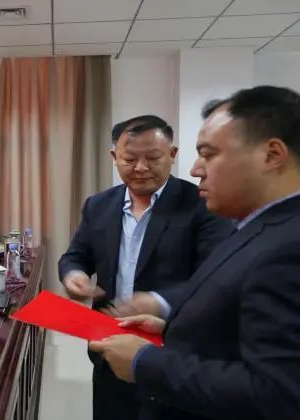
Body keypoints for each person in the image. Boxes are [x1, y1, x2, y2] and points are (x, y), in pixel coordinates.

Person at [89, 86, 300, 420]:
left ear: (272, 155)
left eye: (209, 154)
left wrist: (145, 362)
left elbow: (287, 395)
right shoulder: (264, 225)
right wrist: (172, 329)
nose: (195, 169)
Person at [58, 115, 232, 420]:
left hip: (171, 353)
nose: (140, 167)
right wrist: (75, 275)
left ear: (173, 155)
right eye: (129, 159)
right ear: (114, 157)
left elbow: (216, 277)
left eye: (152, 158)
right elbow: (75, 256)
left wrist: (160, 301)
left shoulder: (202, 205)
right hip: (109, 345)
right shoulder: (99, 205)